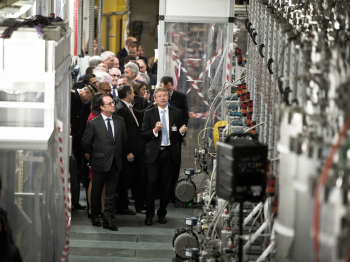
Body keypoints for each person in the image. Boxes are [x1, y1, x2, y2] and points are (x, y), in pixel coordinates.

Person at [141, 88, 187, 225]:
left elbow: (179, 133)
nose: (162, 98)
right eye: (159, 96)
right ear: (154, 99)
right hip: (154, 154)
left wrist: (182, 132)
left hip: (169, 153)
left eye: (164, 95)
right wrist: (155, 130)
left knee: (166, 185)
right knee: (151, 184)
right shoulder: (149, 113)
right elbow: (143, 133)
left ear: (168, 97)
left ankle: (162, 213)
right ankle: (149, 215)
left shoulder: (176, 112)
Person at [82, 95, 127, 231]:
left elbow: (123, 139)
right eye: (110, 103)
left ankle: (107, 220)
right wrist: (95, 153)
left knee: (111, 192)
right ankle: (95, 216)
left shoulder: (120, 120)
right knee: (96, 190)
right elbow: (85, 142)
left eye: (113, 103)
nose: (113, 105)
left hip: (115, 161)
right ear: (102, 107)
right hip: (100, 162)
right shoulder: (94, 123)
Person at [115, 85, 146, 215]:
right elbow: (122, 134)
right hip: (129, 153)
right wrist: (127, 151)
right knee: (125, 180)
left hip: (136, 151)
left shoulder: (128, 106)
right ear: (128, 94)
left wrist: (152, 106)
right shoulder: (121, 109)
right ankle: (122, 207)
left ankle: (137, 205)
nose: (134, 94)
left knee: (137, 178)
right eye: (133, 92)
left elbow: (138, 115)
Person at [160, 76, 189, 201]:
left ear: (173, 86)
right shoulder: (157, 97)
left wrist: (180, 132)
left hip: (176, 137)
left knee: (175, 164)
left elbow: (185, 116)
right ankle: (160, 191)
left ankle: (172, 191)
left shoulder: (181, 97)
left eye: (169, 90)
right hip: (160, 138)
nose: (166, 94)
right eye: (164, 90)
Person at [71, 82, 96, 210]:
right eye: (90, 97)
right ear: (86, 92)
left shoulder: (79, 100)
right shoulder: (71, 97)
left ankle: (75, 202)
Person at [85, 93, 106, 219]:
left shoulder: (98, 116)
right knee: (93, 182)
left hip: (102, 155)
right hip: (95, 155)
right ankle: (92, 209)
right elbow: (88, 139)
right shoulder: (93, 118)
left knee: (102, 183)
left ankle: (102, 208)